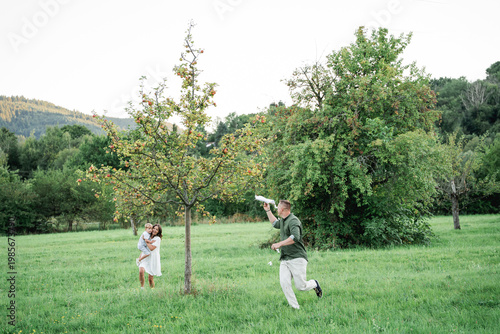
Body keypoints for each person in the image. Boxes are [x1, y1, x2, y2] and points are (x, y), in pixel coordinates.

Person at [263, 200, 322, 309]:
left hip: (297, 258)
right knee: (284, 283)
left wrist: (279, 244)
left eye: (278, 207)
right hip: (285, 258)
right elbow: (274, 223)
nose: (277, 209)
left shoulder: (293, 221)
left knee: (301, 286)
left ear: (283, 209)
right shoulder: (283, 220)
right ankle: (295, 307)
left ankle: (314, 284)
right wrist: (268, 210)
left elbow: (295, 237)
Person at [139, 224, 162, 289]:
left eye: (156, 229)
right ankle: (142, 287)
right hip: (145, 256)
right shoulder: (147, 235)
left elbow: (151, 248)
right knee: (141, 271)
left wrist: (146, 241)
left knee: (150, 278)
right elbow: (144, 247)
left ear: (158, 231)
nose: (154, 230)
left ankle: (152, 290)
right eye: (153, 228)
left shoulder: (157, 239)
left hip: (152, 259)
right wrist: (140, 256)